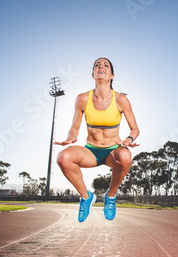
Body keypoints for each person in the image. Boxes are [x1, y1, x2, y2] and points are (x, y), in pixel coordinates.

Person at [54, 57, 139, 222]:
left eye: (106, 65)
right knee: (63, 157)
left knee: (126, 156)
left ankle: (111, 197)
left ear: (112, 75)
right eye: (97, 65)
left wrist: (129, 139)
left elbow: (135, 129)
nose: (101, 67)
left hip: (112, 152)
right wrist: (70, 138)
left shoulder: (121, 100)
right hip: (91, 151)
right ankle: (86, 197)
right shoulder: (82, 98)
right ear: (93, 74)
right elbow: (74, 127)